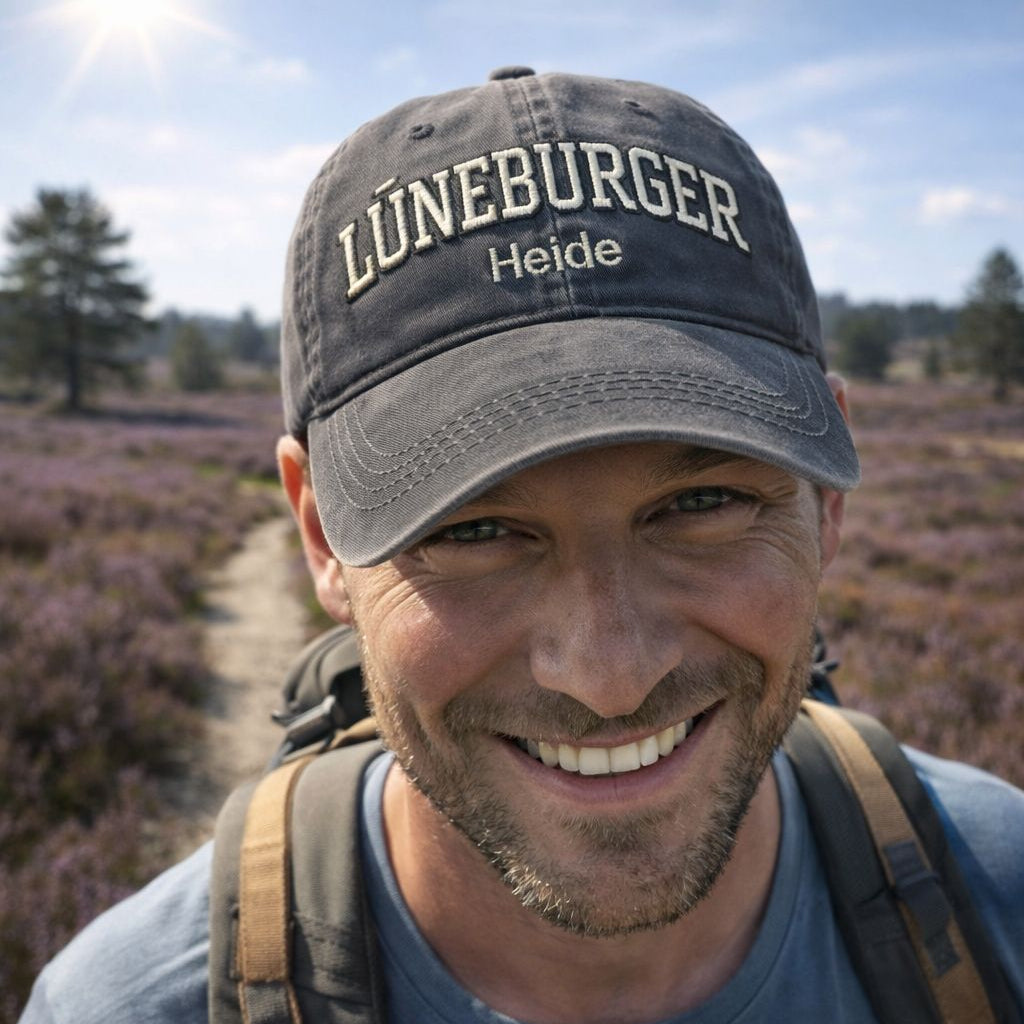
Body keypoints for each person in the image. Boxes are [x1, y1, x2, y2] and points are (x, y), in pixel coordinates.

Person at [20, 67, 1024, 1024]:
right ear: (322, 534)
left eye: (703, 501)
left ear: (827, 492)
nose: (610, 675)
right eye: (476, 528)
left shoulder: (1003, 902)